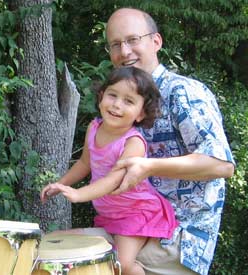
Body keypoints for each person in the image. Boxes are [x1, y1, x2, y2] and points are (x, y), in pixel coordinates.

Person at [101, 7, 235, 275]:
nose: (124, 51)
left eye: (132, 40)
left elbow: (222, 165)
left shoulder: (182, 92)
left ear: (156, 41)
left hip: (178, 236)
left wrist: (149, 166)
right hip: (138, 227)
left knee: (97, 265)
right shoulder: (123, 101)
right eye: (116, 44)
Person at [41, 66, 179, 275]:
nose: (116, 105)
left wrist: (79, 194)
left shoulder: (134, 142)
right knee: (60, 243)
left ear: (141, 113)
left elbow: (114, 180)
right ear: (101, 96)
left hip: (136, 213)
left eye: (128, 101)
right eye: (112, 95)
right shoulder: (94, 127)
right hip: (111, 214)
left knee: (121, 264)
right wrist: (62, 184)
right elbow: (84, 163)